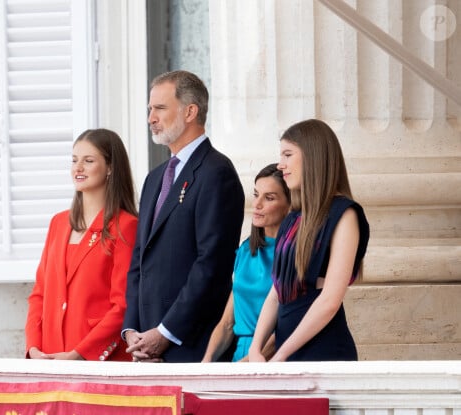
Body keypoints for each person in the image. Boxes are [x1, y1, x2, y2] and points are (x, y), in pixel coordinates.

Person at [123, 70, 245, 363]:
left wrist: (165, 333)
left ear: (190, 111)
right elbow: (140, 260)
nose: (151, 118)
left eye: (160, 108)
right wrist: (133, 332)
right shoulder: (154, 178)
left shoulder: (217, 173)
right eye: (150, 109)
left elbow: (212, 265)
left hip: (191, 345)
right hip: (145, 348)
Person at [248, 119, 370, 362]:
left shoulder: (344, 214)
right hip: (286, 355)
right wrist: (255, 349)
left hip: (323, 352)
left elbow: (330, 300)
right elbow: (276, 292)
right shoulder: (293, 217)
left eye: (288, 154)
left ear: (313, 156)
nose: (281, 165)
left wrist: (280, 355)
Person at [25, 128, 138, 361]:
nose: (78, 168)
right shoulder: (58, 223)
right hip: (50, 357)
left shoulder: (125, 226)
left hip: (96, 361)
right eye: (74, 160)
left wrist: (80, 354)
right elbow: (39, 295)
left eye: (88, 161)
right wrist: (33, 348)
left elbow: (123, 305)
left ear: (110, 168)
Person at [202, 163, 291, 362]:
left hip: (272, 359)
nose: (257, 204)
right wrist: (206, 364)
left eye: (269, 198)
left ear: (289, 206)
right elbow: (226, 323)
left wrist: (246, 365)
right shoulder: (245, 250)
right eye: (256, 194)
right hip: (240, 357)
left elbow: (288, 327)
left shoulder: (294, 254)